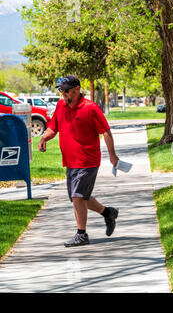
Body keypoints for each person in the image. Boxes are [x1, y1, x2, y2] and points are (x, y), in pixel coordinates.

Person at [38, 75, 119, 247]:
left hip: (88, 160)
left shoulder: (91, 108)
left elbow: (105, 131)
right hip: (71, 160)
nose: (63, 94)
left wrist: (112, 155)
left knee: (77, 197)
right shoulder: (61, 105)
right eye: (61, 91)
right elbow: (53, 126)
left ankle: (81, 234)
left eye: (66, 91)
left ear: (77, 89)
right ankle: (108, 213)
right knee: (81, 197)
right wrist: (44, 138)